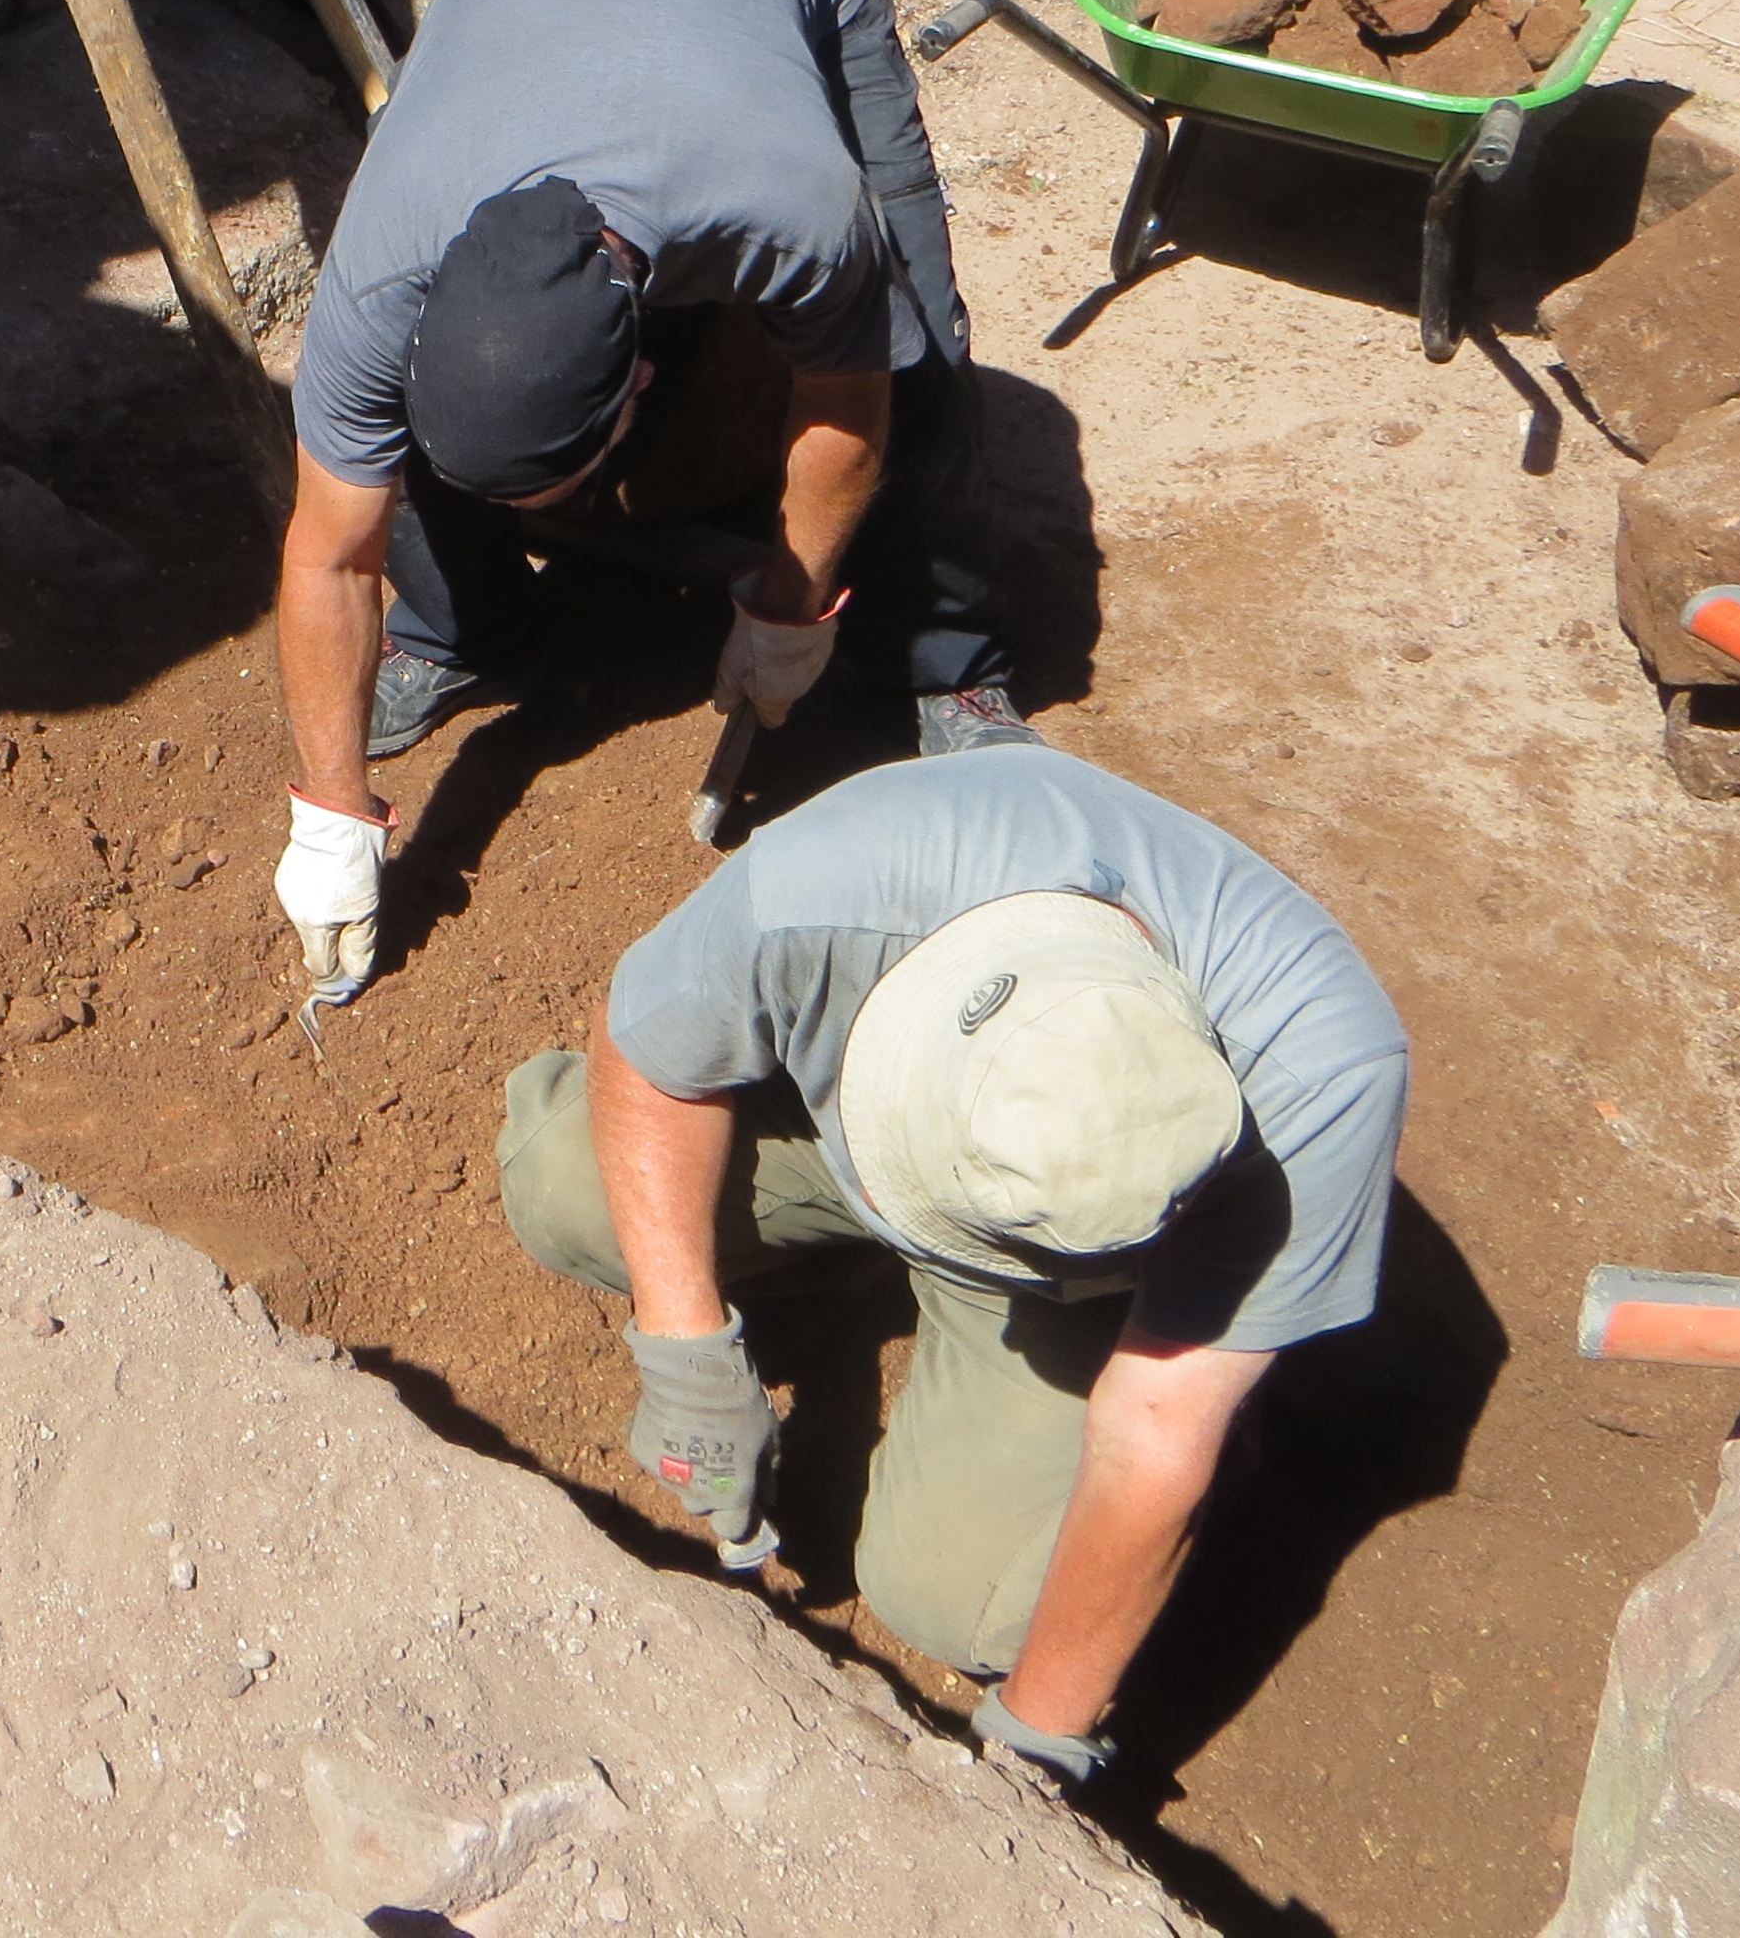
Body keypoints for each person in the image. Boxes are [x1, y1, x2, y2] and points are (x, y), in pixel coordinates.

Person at [491, 742, 1408, 1792]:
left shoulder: (1323, 1080)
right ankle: (840, 1275)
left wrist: (1036, 1742)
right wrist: (685, 1346)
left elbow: (1157, 1429)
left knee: (960, 1604)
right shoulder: (828, 886)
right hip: (849, 1127)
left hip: (1073, 1285)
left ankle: (1226, 1407)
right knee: (563, 1180)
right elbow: (649, 1058)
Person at [269, 0, 1017, 1004]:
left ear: (645, 378)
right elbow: (329, 551)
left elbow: (847, 404)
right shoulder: (375, 278)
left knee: (918, 344)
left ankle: (947, 661)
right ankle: (463, 629)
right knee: (387, 461)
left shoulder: (792, 210)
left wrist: (787, 605)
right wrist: (331, 817)